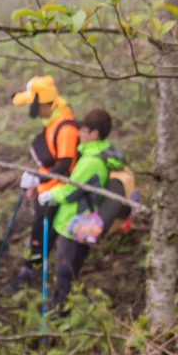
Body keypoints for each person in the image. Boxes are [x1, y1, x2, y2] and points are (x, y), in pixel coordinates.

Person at [38, 108, 123, 302]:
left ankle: (58, 316)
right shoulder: (99, 154)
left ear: (94, 134)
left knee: (64, 274)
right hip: (82, 222)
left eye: (84, 130)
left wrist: (49, 194)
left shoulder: (91, 161)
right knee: (68, 272)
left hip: (74, 226)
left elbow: (71, 192)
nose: (79, 133)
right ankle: (60, 311)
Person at [12, 76, 82, 288]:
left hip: (56, 193)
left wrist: (38, 179)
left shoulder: (65, 128)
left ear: (42, 103)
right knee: (37, 235)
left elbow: (63, 165)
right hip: (45, 188)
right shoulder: (52, 121)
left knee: (42, 237)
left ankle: (32, 273)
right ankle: (30, 269)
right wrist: (36, 181)